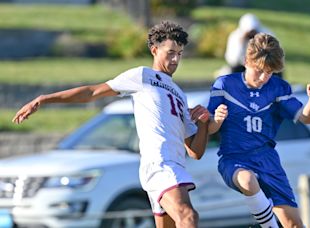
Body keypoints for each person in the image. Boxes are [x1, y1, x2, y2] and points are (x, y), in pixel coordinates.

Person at [13, 21, 212, 228]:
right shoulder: (142, 76)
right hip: (160, 164)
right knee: (188, 217)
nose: (175, 59)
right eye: (170, 52)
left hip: (173, 167)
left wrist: (204, 123)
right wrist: (44, 99)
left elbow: (195, 152)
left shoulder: (179, 94)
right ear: (154, 50)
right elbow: (92, 92)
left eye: (179, 54)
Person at [208, 33, 310, 228]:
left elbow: (306, 118)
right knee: (247, 180)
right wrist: (217, 120)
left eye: (269, 72)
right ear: (246, 61)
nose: (263, 78)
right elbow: (210, 128)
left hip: (267, 159)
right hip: (234, 158)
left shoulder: (278, 88)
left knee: (294, 224)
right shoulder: (225, 85)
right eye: (259, 70)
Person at [219, 13, 283, 78]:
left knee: (276, 70)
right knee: (235, 70)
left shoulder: (267, 34)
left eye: (254, 32)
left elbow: (278, 56)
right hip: (244, 67)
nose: (251, 35)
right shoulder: (235, 37)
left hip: (264, 65)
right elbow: (233, 60)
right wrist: (241, 44)